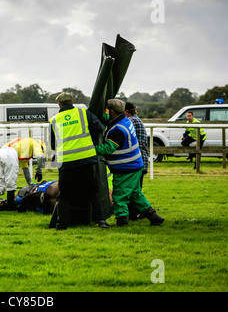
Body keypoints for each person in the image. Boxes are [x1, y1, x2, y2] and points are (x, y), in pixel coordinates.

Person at [95, 99, 164, 226]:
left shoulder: (118, 130)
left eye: (108, 110)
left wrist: (92, 150)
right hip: (135, 165)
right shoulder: (124, 120)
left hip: (125, 168)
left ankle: (122, 221)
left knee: (119, 195)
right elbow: (107, 119)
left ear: (112, 111)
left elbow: (108, 148)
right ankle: (154, 217)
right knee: (135, 194)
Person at [48, 92, 110, 230]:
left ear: (59, 104)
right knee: (93, 190)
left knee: (64, 194)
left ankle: (62, 224)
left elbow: (53, 144)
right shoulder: (83, 113)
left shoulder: (54, 120)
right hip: (86, 159)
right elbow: (100, 128)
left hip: (66, 161)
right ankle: (101, 221)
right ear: (72, 101)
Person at [0, 137, 46, 214]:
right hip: (10, 154)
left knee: (0, 186)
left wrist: (30, 184)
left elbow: (25, 169)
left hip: (1, 153)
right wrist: (39, 171)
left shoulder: (24, 148)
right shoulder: (37, 143)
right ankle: (11, 208)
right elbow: (40, 157)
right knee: (11, 184)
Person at [125, 102, 149, 220]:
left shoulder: (131, 122)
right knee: (136, 189)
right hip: (142, 160)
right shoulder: (136, 119)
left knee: (133, 191)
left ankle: (135, 215)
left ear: (126, 112)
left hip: (137, 160)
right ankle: (138, 213)